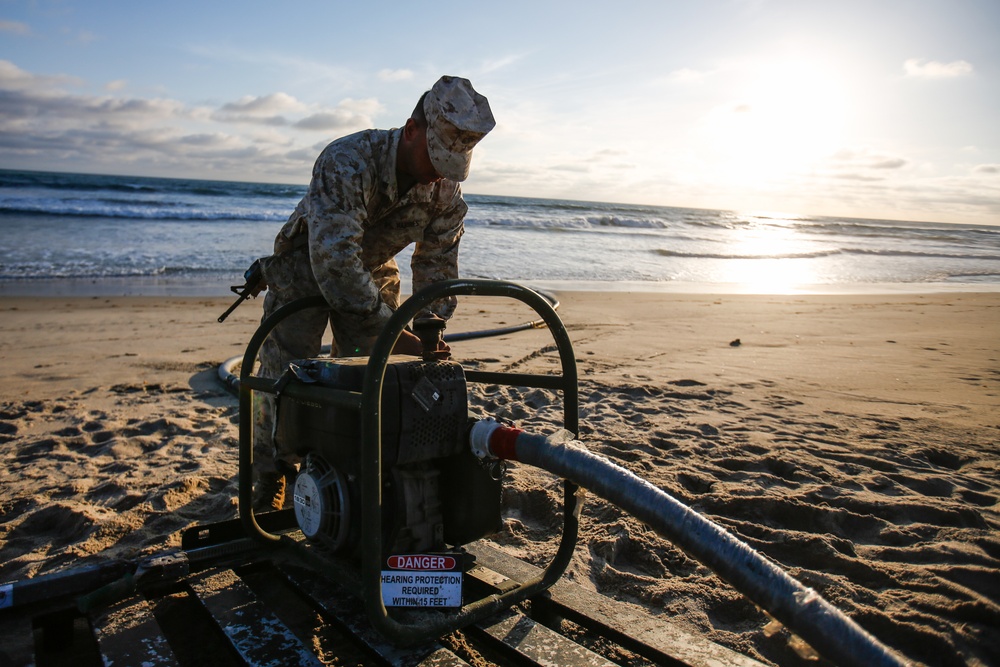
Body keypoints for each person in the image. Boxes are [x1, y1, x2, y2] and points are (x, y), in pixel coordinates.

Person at [252, 76, 495, 511]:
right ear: (411, 128)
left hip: (374, 264)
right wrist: (395, 335)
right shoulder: (347, 160)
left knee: (370, 376)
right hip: (309, 262)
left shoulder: (445, 192)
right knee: (284, 375)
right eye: (434, 156)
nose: (439, 171)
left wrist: (429, 331)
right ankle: (271, 474)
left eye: (450, 163)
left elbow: (437, 267)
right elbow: (336, 266)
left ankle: (344, 465)